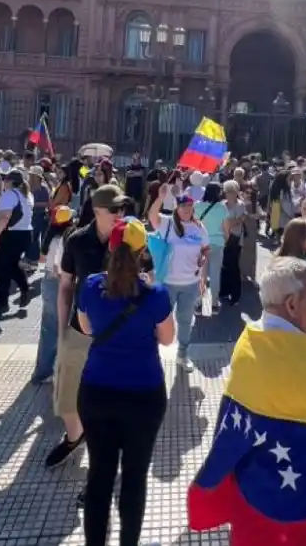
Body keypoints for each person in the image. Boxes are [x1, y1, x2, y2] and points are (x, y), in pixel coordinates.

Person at [76, 217, 174, 546]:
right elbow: (167, 339)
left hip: (97, 391)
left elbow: (87, 329)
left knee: (99, 476)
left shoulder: (91, 285)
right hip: (143, 394)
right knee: (134, 477)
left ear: (111, 246)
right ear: (143, 250)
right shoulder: (155, 293)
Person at [46, 184, 123, 469]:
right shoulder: (77, 240)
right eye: (114, 209)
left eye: (122, 208)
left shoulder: (129, 238)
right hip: (80, 328)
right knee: (67, 395)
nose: (120, 213)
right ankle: (74, 437)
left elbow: (148, 280)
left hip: (116, 333)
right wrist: (62, 329)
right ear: (98, 209)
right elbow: (66, 285)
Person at [148, 185, 208, 372]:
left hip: (190, 283)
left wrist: (203, 275)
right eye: (183, 206)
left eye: (189, 206)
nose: (186, 210)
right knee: (159, 320)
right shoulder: (167, 223)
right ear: (177, 208)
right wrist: (160, 198)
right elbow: (152, 216)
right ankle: (152, 355)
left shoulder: (199, 227)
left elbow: (205, 250)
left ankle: (182, 355)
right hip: (167, 283)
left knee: (185, 321)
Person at [33, 206, 75, 385]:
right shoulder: (66, 239)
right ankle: (50, 370)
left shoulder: (49, 237)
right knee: (60, 327)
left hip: (47, 281)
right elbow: (60, 269)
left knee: (48, 328)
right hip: (59, 282)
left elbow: (42, 259)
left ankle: (43, 370)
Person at [0, 169, 35, 314]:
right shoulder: (26, 195)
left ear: (9, 181)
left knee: (1, 268)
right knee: (12, 264)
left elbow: (4, 217)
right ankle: (24, 288)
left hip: (10, 234)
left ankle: (2, 302)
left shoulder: (9, 195)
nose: (3, 182)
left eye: (5, 179)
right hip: (25, 234)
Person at [195, 182, 230, 314]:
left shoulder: (197, 206)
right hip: (217, 243)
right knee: (215, 274)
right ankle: (214, 303)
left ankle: (198, 303)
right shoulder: (222, 208)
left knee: (201, 274)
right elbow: (226, 229)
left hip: (201, 244)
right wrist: (225, 241)